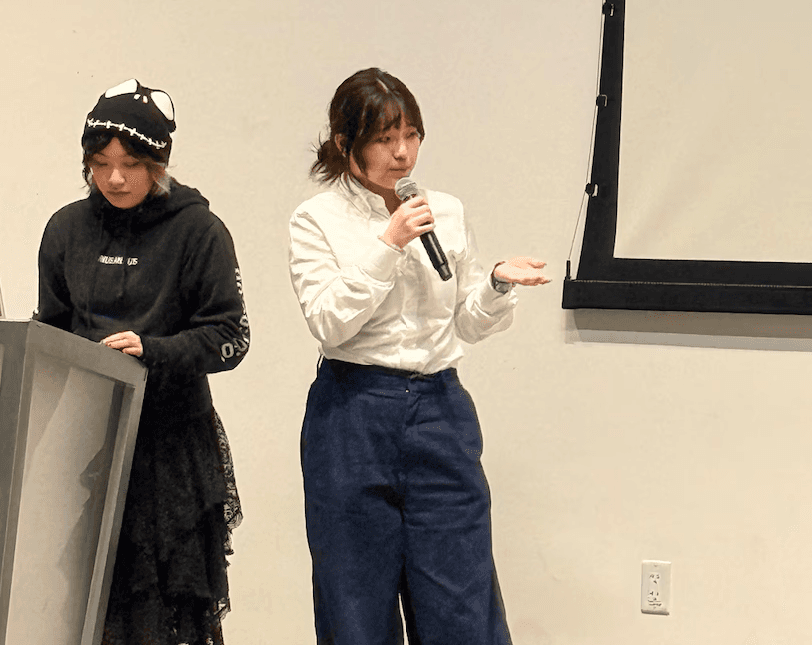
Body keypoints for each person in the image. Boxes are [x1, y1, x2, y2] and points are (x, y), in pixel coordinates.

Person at [289, 67, 550, 645]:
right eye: (384, 139)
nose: (402, 154)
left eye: (411, 136)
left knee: (462, 598)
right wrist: (389, 244)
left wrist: (497, 286)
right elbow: (328, 321)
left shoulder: (446, 211)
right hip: (352, 411)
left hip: (439, 408)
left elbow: (466, 322)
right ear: (346, 144)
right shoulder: (316, 220)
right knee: (355, 602)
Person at [36, 78, 250, 645]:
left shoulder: (198, 230)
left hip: (172, 446)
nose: (114, 178)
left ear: (159, 162)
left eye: (131, 164)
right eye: (100, 164)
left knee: (167, 611)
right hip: (90, 444)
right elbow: (52, 328)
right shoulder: (66, 229)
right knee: (92, 608)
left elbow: (231, 336)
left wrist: (152, 350)